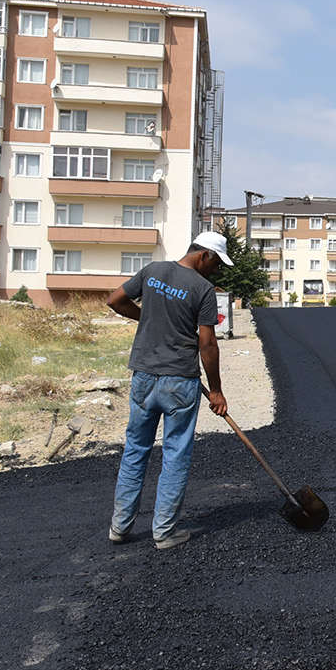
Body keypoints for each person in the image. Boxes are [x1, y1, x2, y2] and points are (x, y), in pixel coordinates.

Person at [105, 232, 233, 549]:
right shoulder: (202, 289)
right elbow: (207, 344)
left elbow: (114, 300)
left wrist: (148, 319)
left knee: (135, 450)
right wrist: (216, 390)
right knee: (175, 454)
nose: (216, 271)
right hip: (179, 382)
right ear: (204, 255)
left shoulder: (152, 271)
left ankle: (119, 527)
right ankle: (163, 532)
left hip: (144, 377)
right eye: (217, 263)